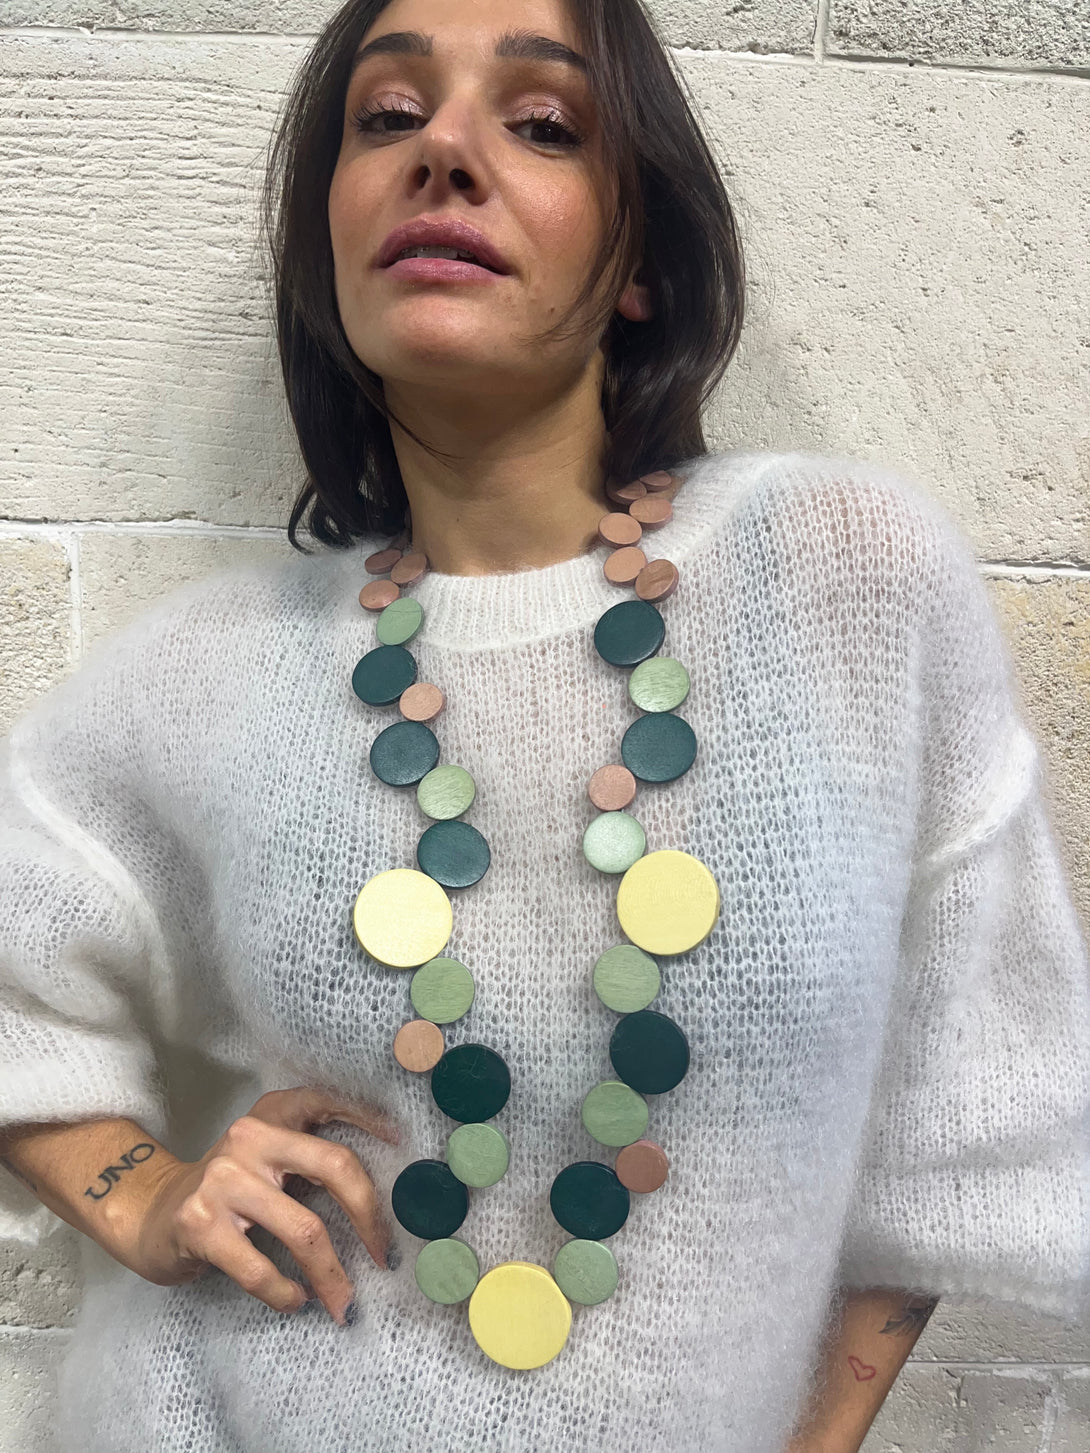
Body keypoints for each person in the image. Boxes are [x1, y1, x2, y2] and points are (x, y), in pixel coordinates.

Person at [1, 0, 1087, 1449]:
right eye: (388, 117)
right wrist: (142, 1194)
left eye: (541, 124)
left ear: (640, 262)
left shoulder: (837, 576)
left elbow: (972, 1095)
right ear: (329, 246)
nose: (444, 149)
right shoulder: (219, 667)